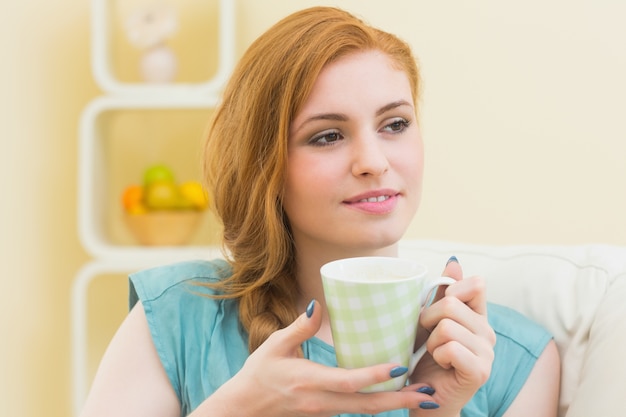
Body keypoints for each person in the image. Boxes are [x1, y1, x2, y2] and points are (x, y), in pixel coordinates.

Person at [80, 6, 560, 417]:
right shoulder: (176, 316)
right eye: (327, 135)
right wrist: (236, 407)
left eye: (395, 124)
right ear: (264, 164)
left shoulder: (512, 360)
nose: (374, 162)